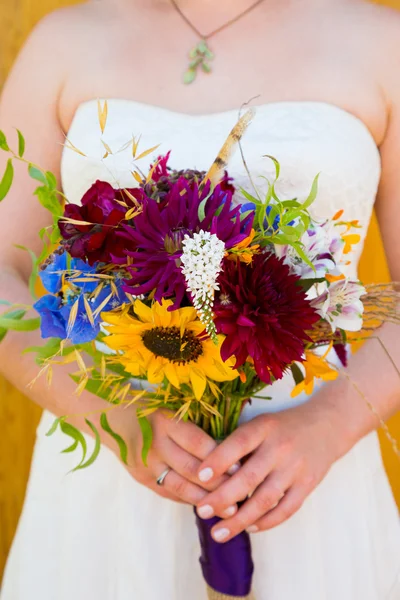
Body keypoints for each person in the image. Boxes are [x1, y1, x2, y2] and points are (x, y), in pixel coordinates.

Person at [1, 0, 400, 598]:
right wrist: (108, 418)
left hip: (306, 476)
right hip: (109, 478)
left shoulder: (382, 43)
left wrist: (327, 426)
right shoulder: (65, 41)